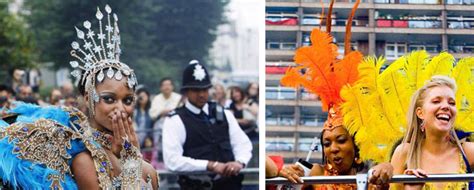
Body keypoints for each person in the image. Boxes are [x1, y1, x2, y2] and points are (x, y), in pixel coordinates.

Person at [0, 5, 158, 189]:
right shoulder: (83, 158)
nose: (121, 108)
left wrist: (133, 159)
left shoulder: (146, 168)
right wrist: (130, 166)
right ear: (88, 97)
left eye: (128, 100)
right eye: (109, 99)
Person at [162, 60, 252, 190]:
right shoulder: (175, 120)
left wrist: (239, 162)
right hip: (196, 186)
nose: (202, 94)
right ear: (186, 92)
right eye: (196, 90)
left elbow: (242, 144)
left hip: (229, 185)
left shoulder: (224, 114)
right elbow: (172, 160)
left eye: (205, 89)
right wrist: (210, 165)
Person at [391, 75, 474, 189]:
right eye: (436, 101)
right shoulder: (404, 152)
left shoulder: (468, 152)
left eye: (452, 103)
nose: (446, 106)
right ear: (420, 113)